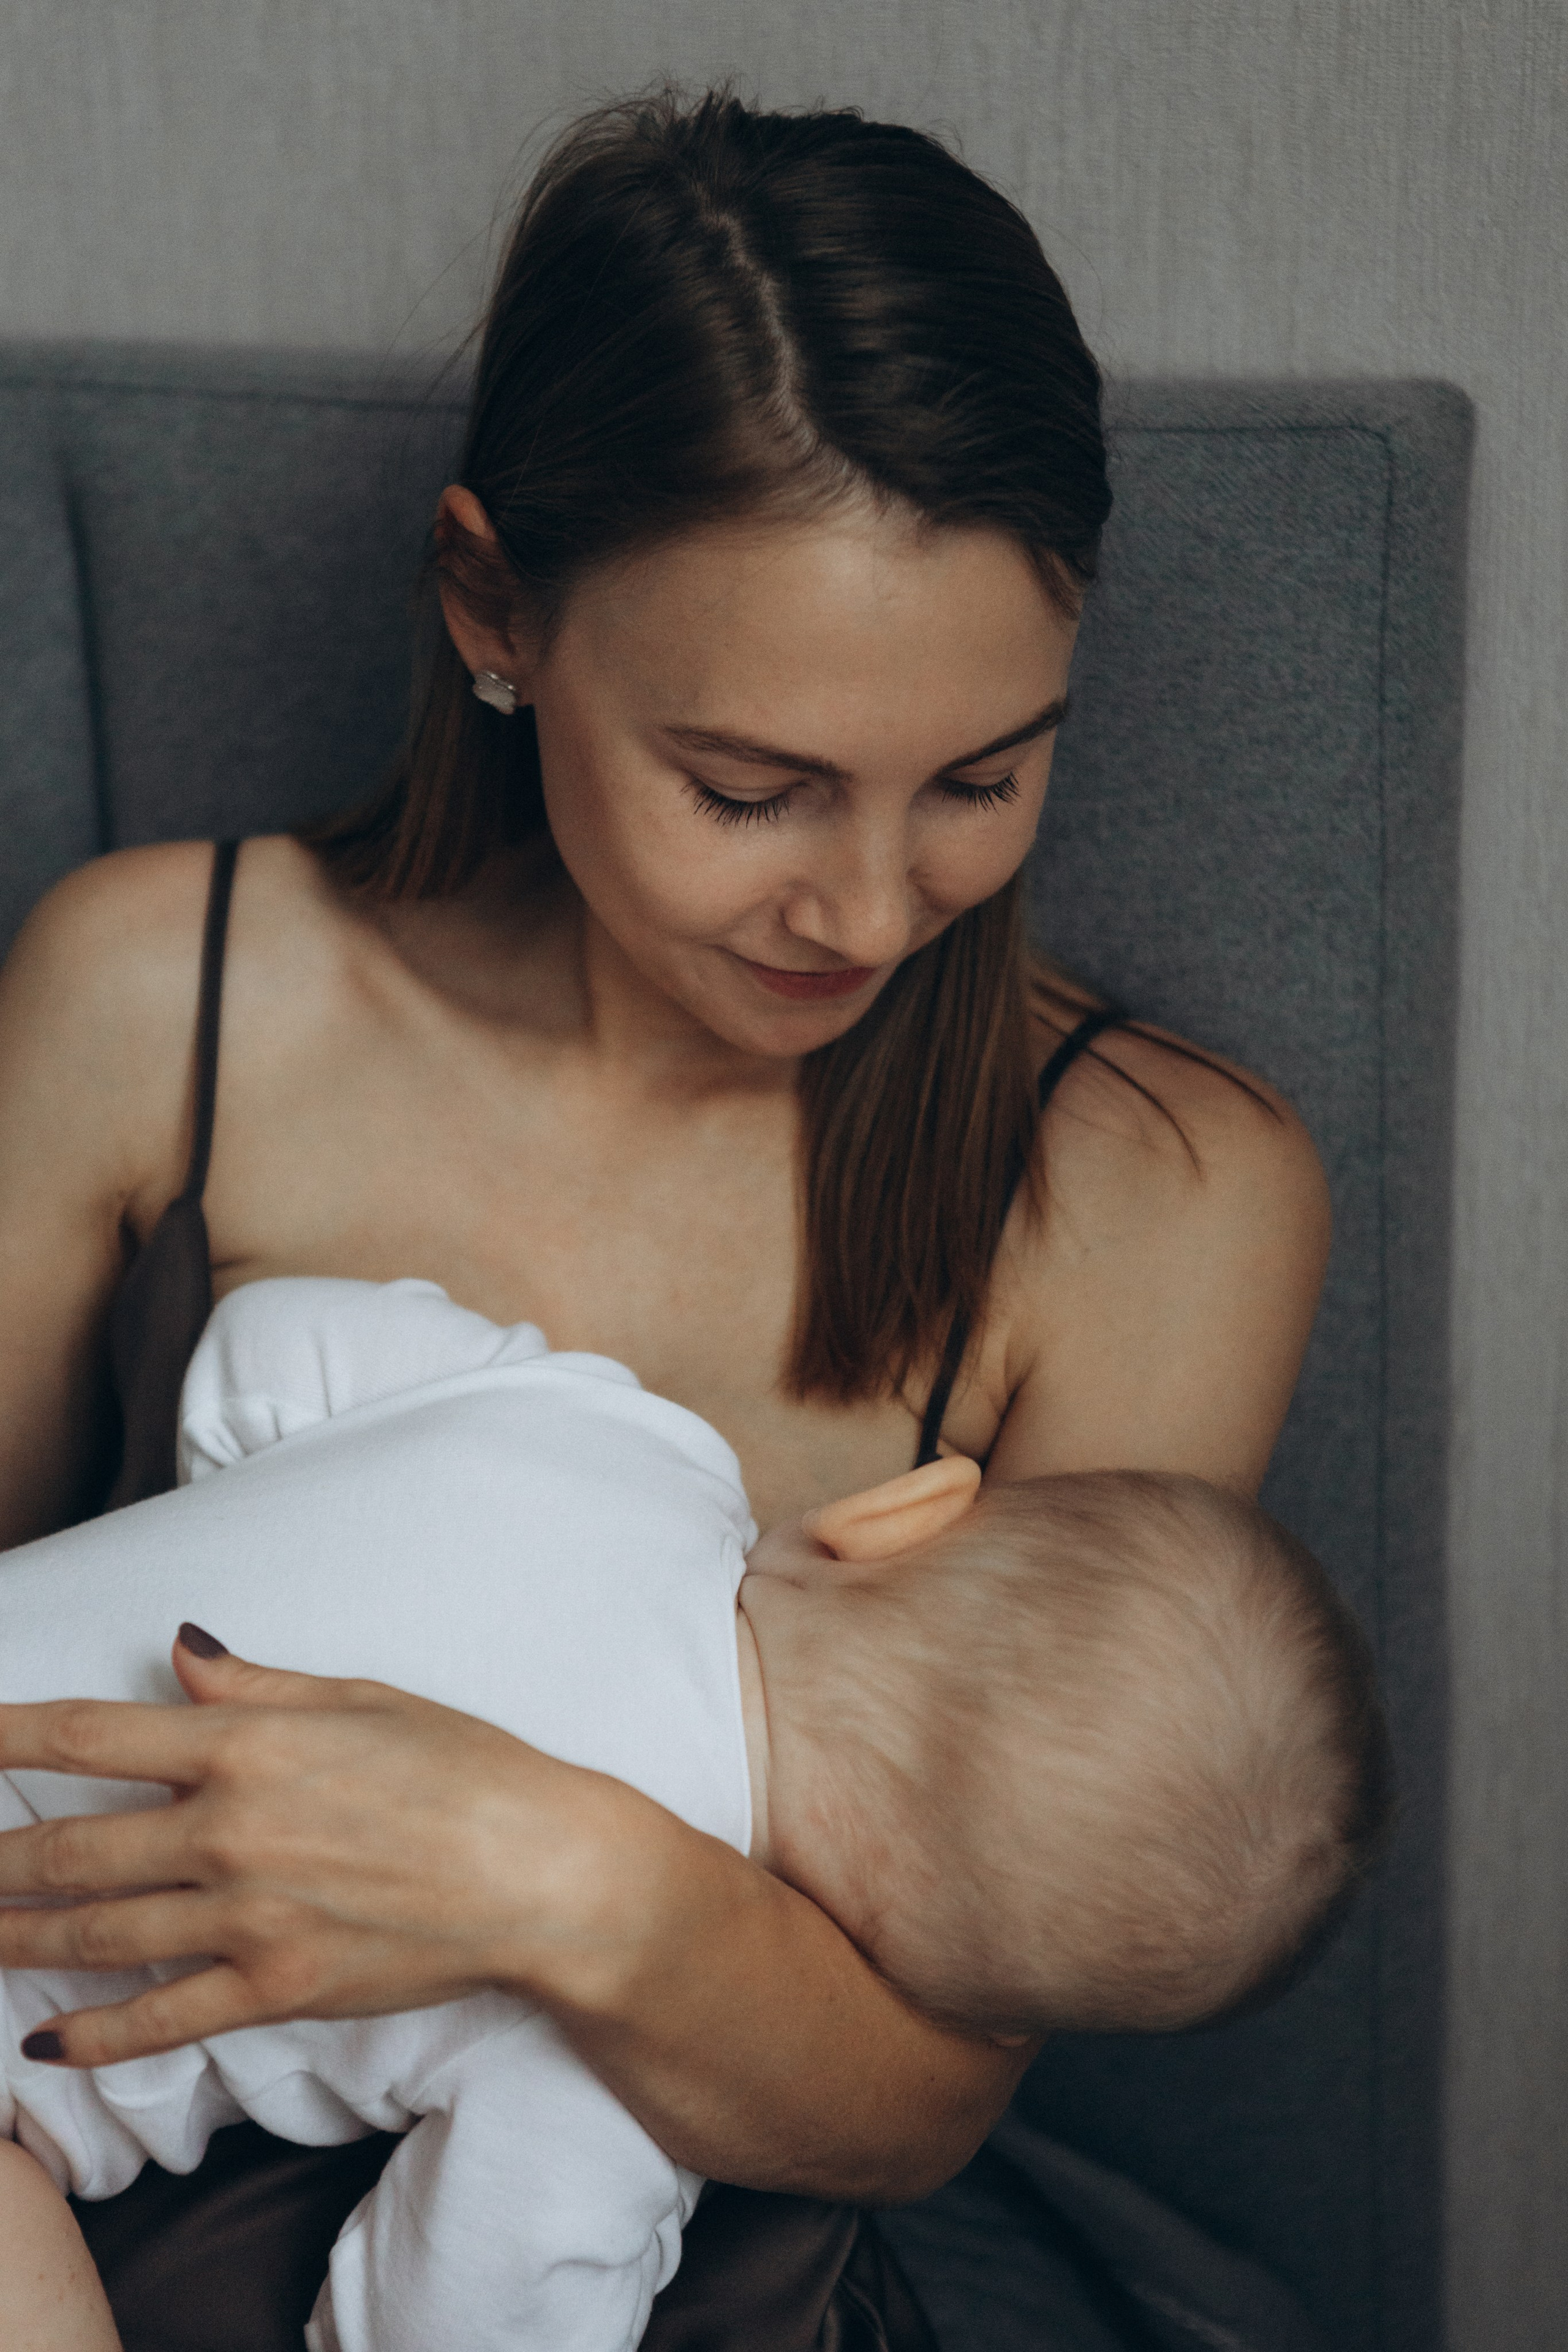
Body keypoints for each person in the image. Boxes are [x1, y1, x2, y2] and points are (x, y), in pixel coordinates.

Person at [0, 87, 1334, 2352]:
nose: (871, 904)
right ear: (494, 606)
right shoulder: (163, 993)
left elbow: (926, 2093)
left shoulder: (1156, 1190)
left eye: (986, 779)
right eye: (751, 787)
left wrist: (567, 1880)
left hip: (679, 2267)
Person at [0, 1275, 1381, 2352]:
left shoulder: (621, 1434)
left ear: (899, 1513)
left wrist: (241, 1537)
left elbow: (261, 1348)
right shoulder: (617, 2074)